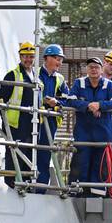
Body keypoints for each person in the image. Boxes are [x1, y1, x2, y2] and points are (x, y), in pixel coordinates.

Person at [61, 57, 112, 191]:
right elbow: (70, 100)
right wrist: (88, 106)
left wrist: (100, 105)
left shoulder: (108, 84)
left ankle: (97, 194)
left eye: (96, 67)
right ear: (86, 70)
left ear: (101, 70)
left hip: (103, 134)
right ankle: (76, 191)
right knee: (80, 163)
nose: (94, 70)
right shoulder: (79, 83)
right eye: (91, 67)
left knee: (100, 166)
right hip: (83, 133)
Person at [0, 41, 39, 188]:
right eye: (25, 56)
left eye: (31, 57)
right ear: (20, 57)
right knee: (13, 155)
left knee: (27, 155)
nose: (28, 60)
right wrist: (6, 123)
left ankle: (25, 185)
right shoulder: (12, 75)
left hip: (31, 124)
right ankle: (11, 185)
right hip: (15, 124)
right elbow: (1, 100)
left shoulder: (36, 76)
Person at [34, 44, 67, 188]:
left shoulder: (59, 79)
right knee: (29, 151)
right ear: (46, 58)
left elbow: (68, 97)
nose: (59, 62)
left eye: (60, 59)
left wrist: (57, 102)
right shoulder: (34, 74)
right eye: (56, 58)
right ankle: (26, 184)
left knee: (44, 155)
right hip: (33, 120)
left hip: (50, 122)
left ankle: (41, 188)